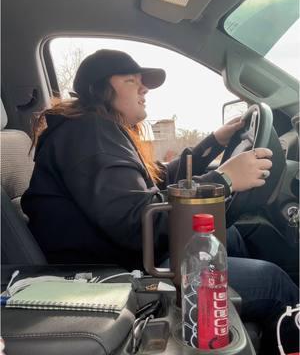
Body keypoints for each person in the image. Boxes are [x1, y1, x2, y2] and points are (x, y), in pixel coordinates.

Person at [21, 49, 299, 353]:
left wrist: (213, 143)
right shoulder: (90, 133)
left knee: (230, 234)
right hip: (114, 274)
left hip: (121, 256)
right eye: (131, 80)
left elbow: (157, 179)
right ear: (98, 88)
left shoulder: (97, 129)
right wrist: (225, 179)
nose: (144, 88)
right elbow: (138, 223)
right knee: (272, 281)